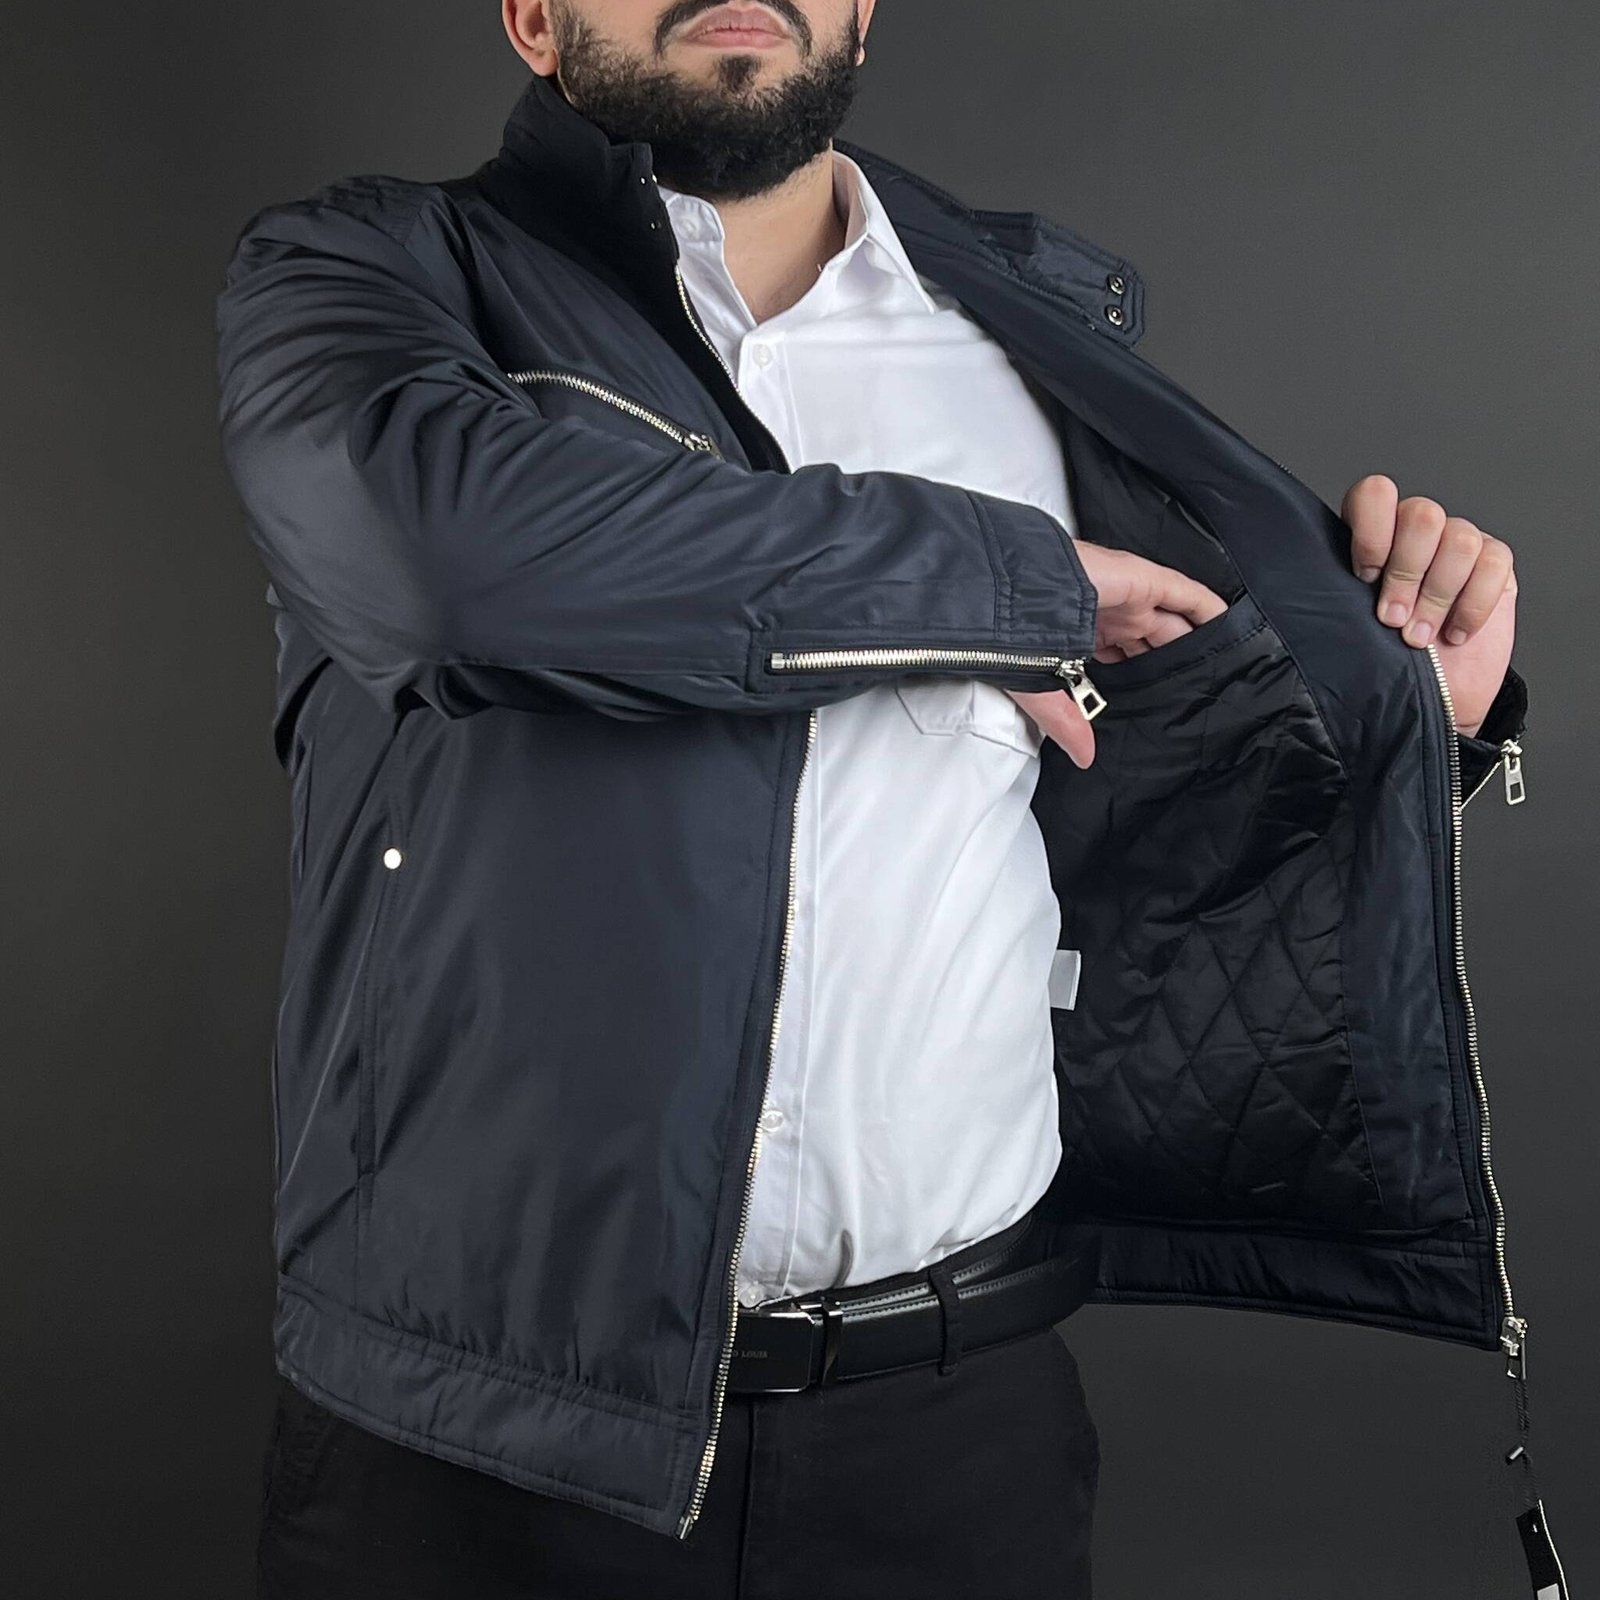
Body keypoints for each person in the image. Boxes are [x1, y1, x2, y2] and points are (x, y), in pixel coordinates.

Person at [216, 3, 1529, 1596]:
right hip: (488, 1440)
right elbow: (445, 568)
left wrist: (1412, 722)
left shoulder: (1032, 345)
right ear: (536, 17)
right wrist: (1007, 584)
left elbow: (1138, 823)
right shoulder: (372, 273)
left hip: (957, 1430)